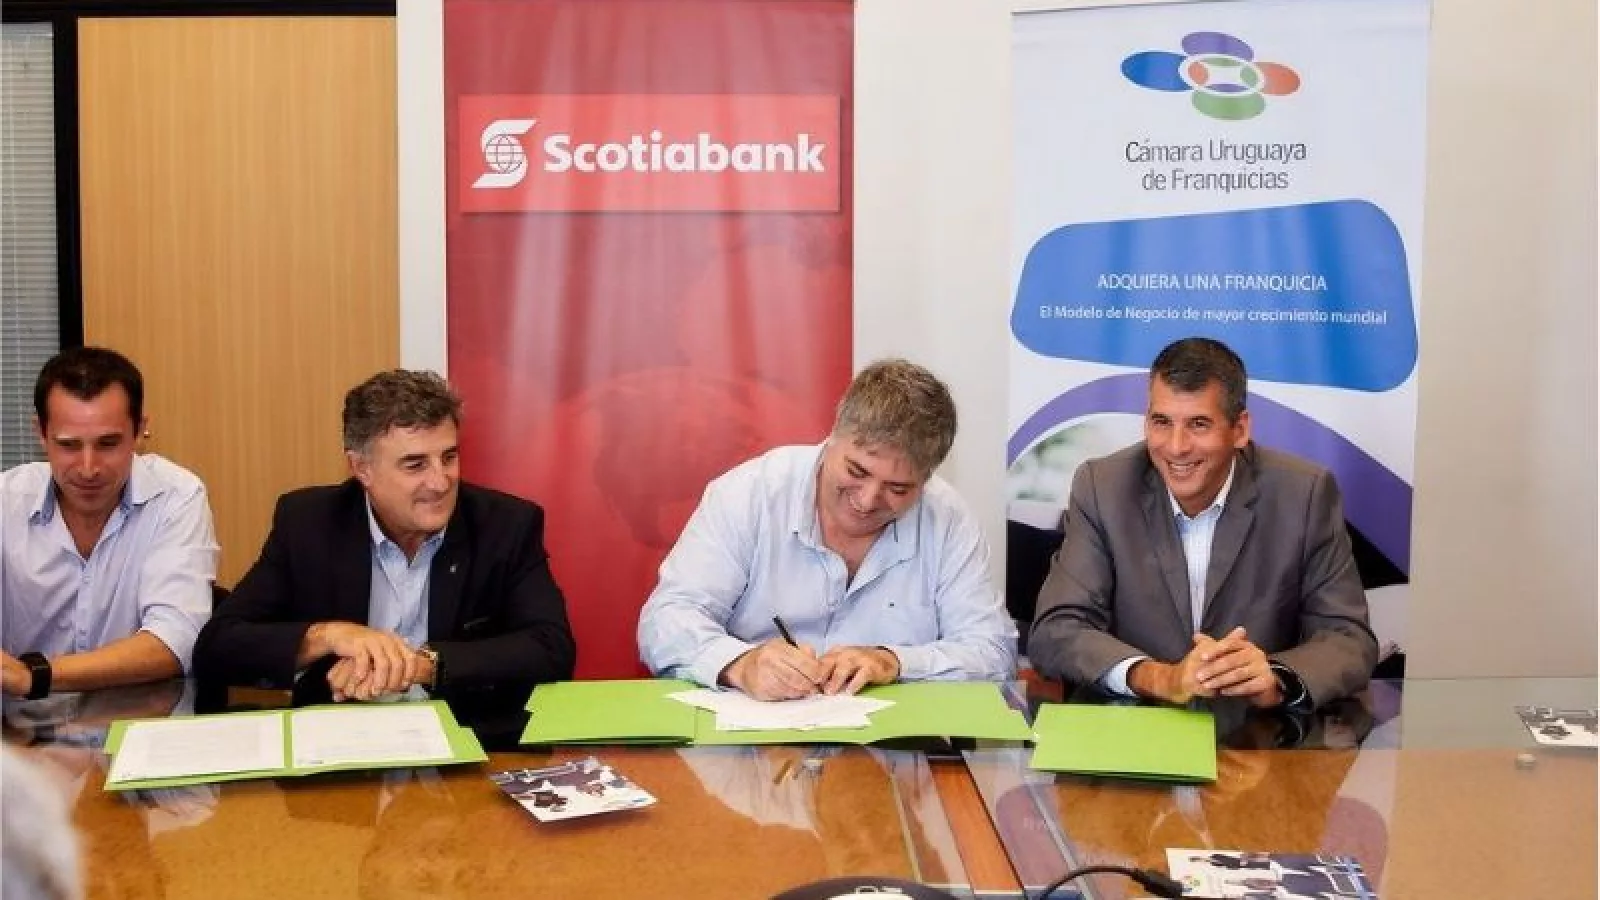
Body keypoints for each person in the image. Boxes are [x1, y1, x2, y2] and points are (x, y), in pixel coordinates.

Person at [192, 370, 575, 716]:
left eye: (449, 457)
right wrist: (330, 636)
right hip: (340, 747)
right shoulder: (309, 523)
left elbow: (550, 647)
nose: (440, 482)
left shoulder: (505, 525)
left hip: (472, 745)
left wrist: (422, 665)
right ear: (362, 468)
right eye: (415, 465)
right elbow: (219, 646)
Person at [1030, 337, 1378, 711]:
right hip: (1135, 725)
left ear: (1239, 429)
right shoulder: (1103, 488)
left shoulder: (1304, 495)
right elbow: (1057, 629)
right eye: (1161, 422)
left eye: (1198, 424)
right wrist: (1161, 678)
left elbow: (1348, 638)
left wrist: (1276, 677)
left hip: (1259, 732)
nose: (1176, 447)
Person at [637, 359, 1016, 700]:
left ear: (926, 480)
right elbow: (665, 620)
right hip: (746, 741)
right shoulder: (751, 494)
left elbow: (993, 652)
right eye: (856, 471)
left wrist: (895, 661)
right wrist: (739, 663)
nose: (868, 500)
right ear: (833, 436)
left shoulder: (946, 519)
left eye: (898, 489)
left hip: (896, 747)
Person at [0, 347, 218, 698]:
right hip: (20, 726)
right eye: (69, 445)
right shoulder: (5, 501)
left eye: (108, 443)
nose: (88, 468)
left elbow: (176, 639)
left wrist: (35, 676)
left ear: (139, 430)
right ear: (41, 433)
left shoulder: (177, 497)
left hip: (140, 722)